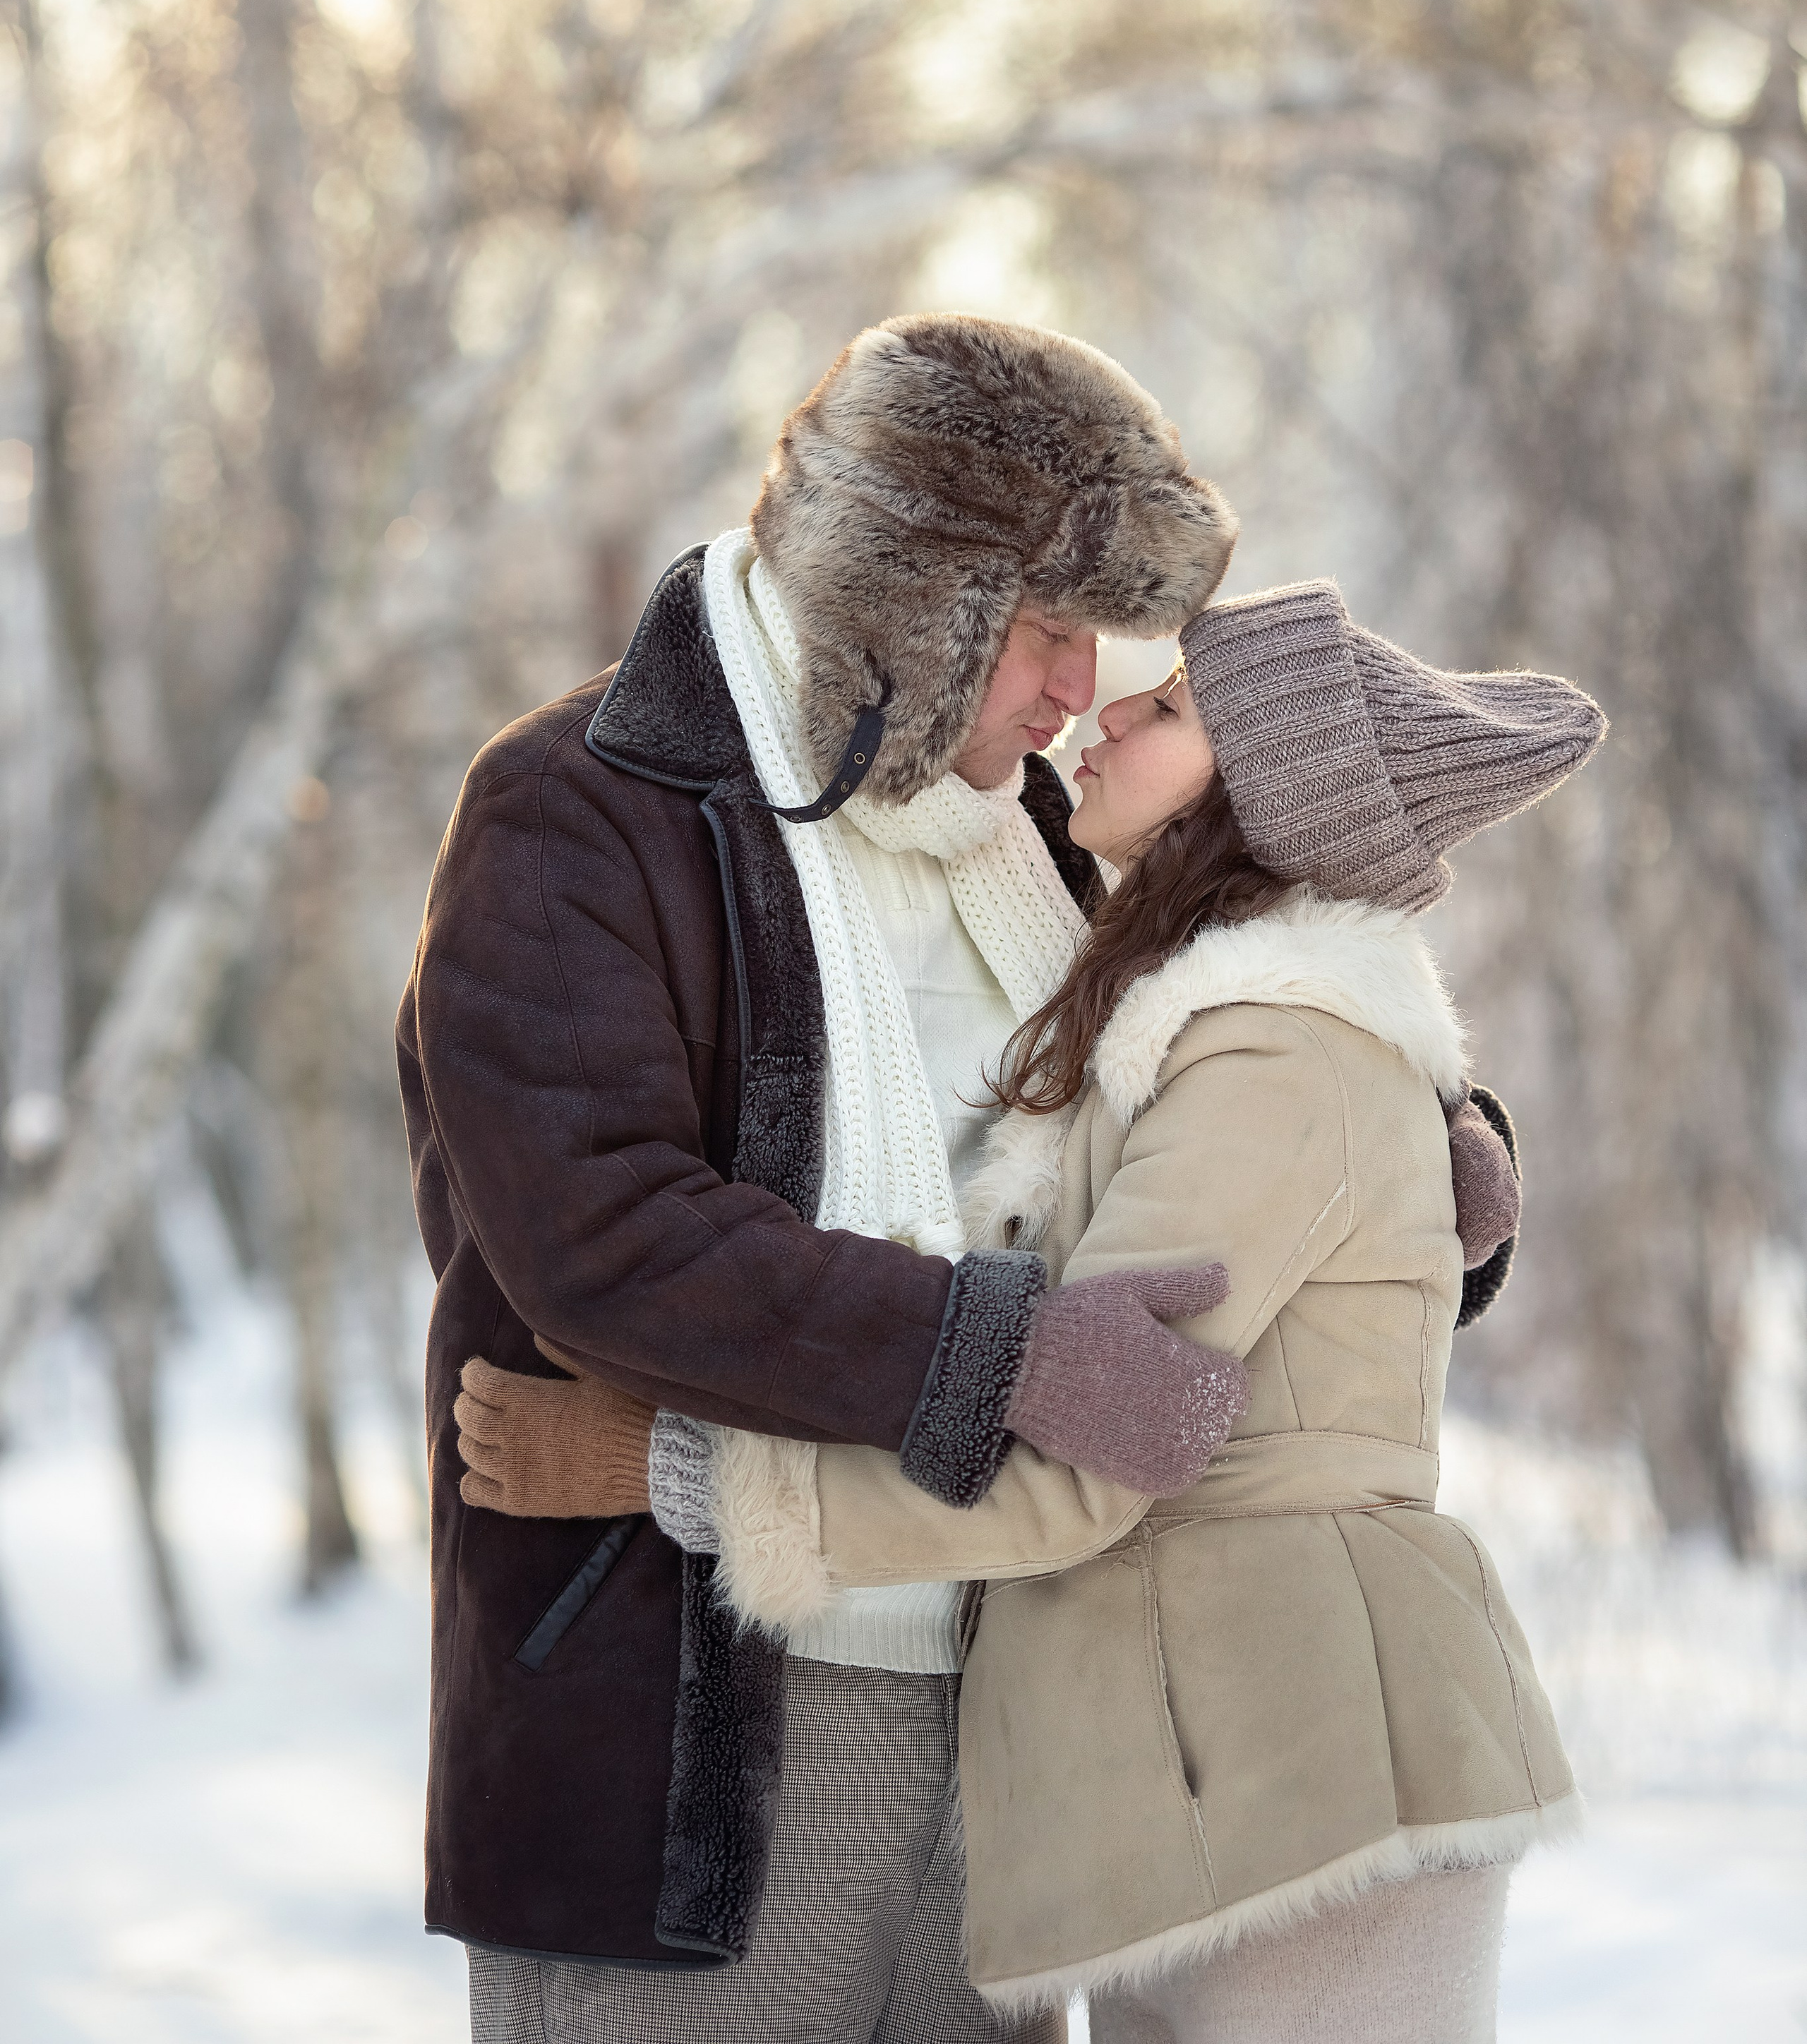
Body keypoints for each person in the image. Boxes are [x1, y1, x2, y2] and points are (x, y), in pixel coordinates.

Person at [461, 577, 1596, 2044]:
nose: (1106, 706)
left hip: (1315, 1772)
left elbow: (1092, 1447)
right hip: (1211, 1774)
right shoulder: (1197, 1021)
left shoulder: (1268, 1056)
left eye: (1171, 707)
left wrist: (673, 1470)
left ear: (1255, 804)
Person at [400, 313, 1248, 2044]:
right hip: (695, 1736)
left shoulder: (1023, 845)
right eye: (1048, 626)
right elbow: (606, 1240)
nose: (1075, 690)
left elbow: (1168, 1139)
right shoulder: (577, 812)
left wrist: (1396, 1140)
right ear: (910, 591)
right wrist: (1000, 1356)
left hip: (1012, 1709)